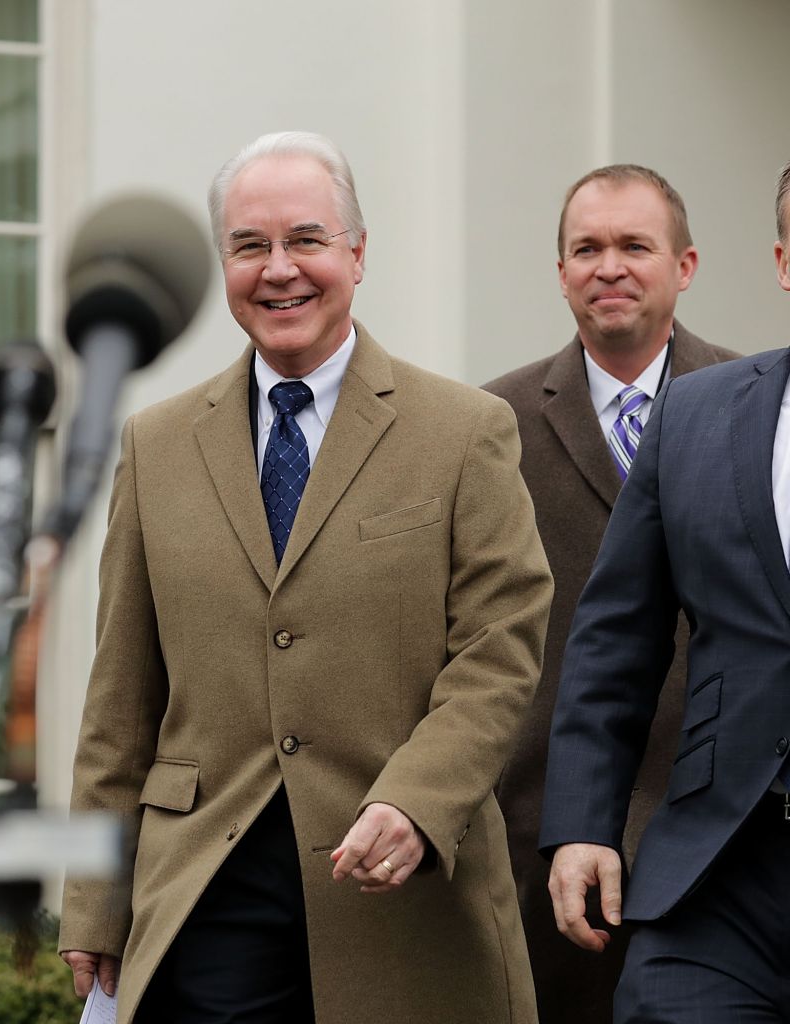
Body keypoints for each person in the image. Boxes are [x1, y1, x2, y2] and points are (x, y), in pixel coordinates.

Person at [58, 130, 553, 1024]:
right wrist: (96, 893)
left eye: (306, 240)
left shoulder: (464, 431)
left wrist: (418, 799)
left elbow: (500, 650)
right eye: (251, 246)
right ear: (224, 266)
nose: (279, 269)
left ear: (357, 253)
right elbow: (120, 693)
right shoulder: (156, 444)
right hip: (208, 891)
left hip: (398, 888)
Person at [483, 164, 738, 1024]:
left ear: (686, 265)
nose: (610, 266)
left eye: (636, 245)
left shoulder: (756, 409)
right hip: (543, 832)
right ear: (560, 272)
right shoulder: (489, 425)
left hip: (724, 836)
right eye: (586, 248)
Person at [540, 159, 790, 1022]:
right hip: (722, 871)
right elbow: (617, 639)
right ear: (783, 261)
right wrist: (582, 822)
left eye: (634, 244)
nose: (609, 265)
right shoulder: (698, 414)